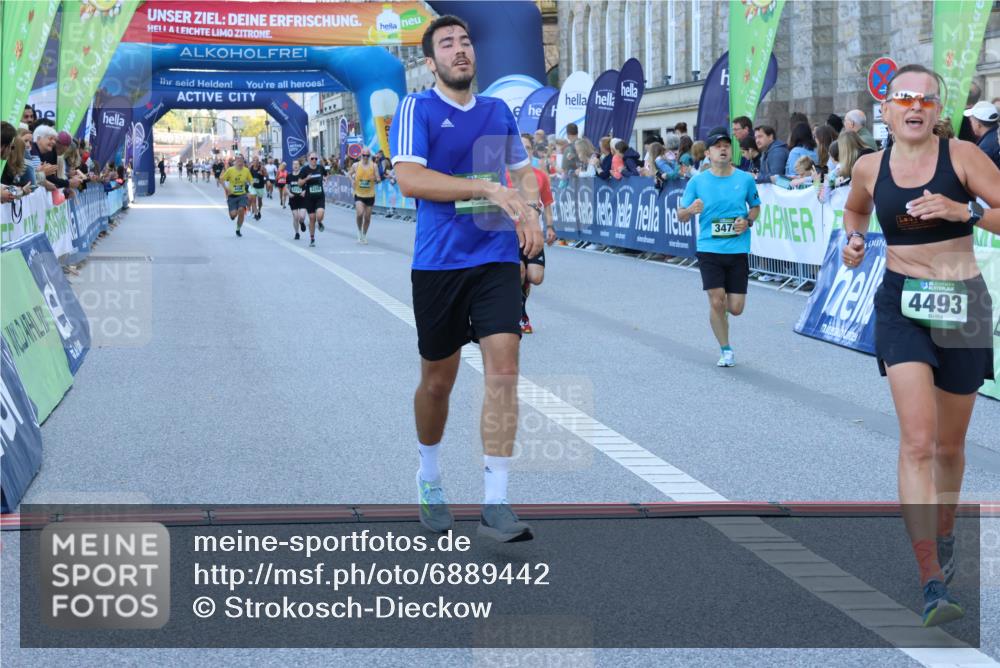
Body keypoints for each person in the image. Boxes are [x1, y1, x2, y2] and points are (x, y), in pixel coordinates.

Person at [841, 63, 1000, 627]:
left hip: (961, 303)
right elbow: (856, 211)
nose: (915, 106)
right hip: (900, 302)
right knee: (918, 441)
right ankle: (931, 578)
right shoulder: (867, 167)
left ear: (939, 110)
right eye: (904, 97)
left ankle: (948, 526)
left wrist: (969, 211)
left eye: (927, 100)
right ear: (885, 108)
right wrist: (854, 241)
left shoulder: (962, 158)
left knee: (951, 449)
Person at [391, 14, 543, 543]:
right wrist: (483, 187)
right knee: (438, 381)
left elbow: (522, 173)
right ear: (430, 62)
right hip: (439, 264)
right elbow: (409, 176)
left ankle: (495, 501)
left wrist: (532, 218)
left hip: (495, 256)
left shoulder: (497, 111)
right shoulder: (418, 108)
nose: (461, 50)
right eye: (448, 44)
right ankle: (429, 477)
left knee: (503, 367)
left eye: (466, 42)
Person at [677, 126, 761, 368]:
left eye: (726, 145)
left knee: (735, 308)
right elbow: (681, 214)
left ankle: (723, 313)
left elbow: (755, 207)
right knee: (716, 300)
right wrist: (690, 210)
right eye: (717, 146)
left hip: (737, 250)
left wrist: (748, 220)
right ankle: (726, 350)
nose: (723, 149)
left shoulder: (744, 179)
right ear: (708, 153)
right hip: (709, 249)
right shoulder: (698, 181)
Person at [510, 135, 558, 334]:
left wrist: (550, 227)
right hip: (509, 234)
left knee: (535, 276)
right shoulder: (504, 174)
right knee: (518, 271)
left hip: (532, 232)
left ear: (532, 151)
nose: (524, 151)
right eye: (520, 148)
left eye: (528, 148)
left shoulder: (540, 176)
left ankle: (522, 293)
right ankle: (520, 315)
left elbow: (547, 204)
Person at [296, 153, 327, 246]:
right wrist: (306, 179)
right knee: (312, 218)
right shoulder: (304, 170)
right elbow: (299, 183)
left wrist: (325, 179)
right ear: (308, 159)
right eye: (312, 158)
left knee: (320, 215)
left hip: (320, 196)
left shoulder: (320, 168)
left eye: (315, 158)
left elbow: (326, 175)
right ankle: (312, 238)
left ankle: (320, 222)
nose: (314, 160)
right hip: (309, 197)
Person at [350, 148, 380, 243]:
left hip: (370, 195)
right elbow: (349, 174)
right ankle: (359, 231)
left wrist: (374, 178)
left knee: (367, 217)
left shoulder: (374, 166)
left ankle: (364, 235)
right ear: (361, 156)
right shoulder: (356, 165)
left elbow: (379, 179)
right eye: (364, 155)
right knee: (359, 213)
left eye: (367, 156)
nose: (365, 157)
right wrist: (352, 181)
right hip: (359, 194)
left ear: (369, 156)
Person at [221, 154, 253, 237]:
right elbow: (222, 179)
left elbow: (251, 181)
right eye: (238, 161)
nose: (240, 163)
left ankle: (238, 229)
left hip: (242, 194)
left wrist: (250, 190)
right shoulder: (230, 170)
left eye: (242, 161)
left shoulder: (246, 170)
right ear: (235, 162)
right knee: (233, 215)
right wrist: (226, 188)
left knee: (241, 210)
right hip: (232, 196)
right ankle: (233, 214)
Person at [962, 100, 1000, 169]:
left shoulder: (986, 147)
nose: (971, 124)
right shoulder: (995, 136)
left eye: (971, 121)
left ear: (978, 124)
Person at [287, 159, 307, 240]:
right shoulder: (289, 176)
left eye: (297, 164)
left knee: (301, 217)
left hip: (302, 198)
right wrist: (289, 193)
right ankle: (297, 233)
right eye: (294, 164)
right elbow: (285, 186)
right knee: (295, 217)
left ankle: (302, 223)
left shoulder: (303, 175)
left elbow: (307, 185)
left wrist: (304, 191)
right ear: (292, 166)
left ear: (299, 166)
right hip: (293, 199)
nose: (295, 166)